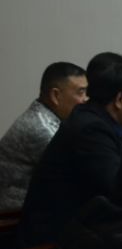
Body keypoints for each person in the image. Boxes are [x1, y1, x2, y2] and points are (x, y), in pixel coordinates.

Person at [18, 62, 122, 247]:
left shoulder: (94, 118)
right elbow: (119, 188)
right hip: (56, 239)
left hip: (82, 226)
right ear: (120, 100)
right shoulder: (92, 131)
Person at [0, 62, 88, 212]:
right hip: (14, 212)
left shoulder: (45, 114)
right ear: (55, 95)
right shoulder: (41, 129)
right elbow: (79, 175)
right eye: (81, 92)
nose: (86, 99)